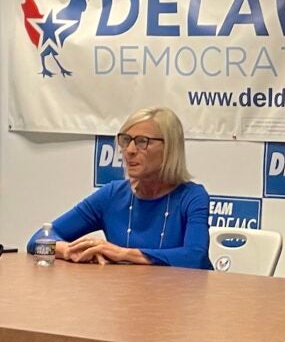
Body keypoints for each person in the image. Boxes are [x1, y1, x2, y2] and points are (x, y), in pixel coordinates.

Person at [26, 107, 213, 270]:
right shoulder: (112, 195)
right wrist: (68, 250)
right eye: (126, 140)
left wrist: (121, 254)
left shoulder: (192, 196)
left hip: (184, 302)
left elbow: (194, 257)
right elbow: (37, 241)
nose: (130, 150)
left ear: (170, 148)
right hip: (127, 300)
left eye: (142, 141)